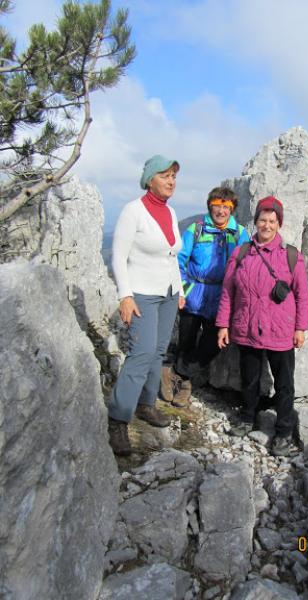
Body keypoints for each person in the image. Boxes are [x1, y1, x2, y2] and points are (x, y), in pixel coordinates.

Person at [216, 196, 308, 457]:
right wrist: (223, 324)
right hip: (247, 328)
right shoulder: (242, 253)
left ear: (279, 224)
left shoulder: (291, 256)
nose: (266, 225)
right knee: (250, 379)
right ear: (255, 221)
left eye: (272, 221)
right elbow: (228, 291)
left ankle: (283, 432)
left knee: (284, 384)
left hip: (281, 331)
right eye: (262, 220)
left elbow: (302, 295)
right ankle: (248, 417)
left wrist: (300, 328)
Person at [107, 155, 185, 456]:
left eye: (174, 176)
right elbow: (118, 256)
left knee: (158, 351)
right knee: (141, 354)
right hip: (141, 294)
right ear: (149, 180)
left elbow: (172, 256)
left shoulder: (171, 211)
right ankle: (118, 419)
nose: (171, 181)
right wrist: (125, 296)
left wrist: (179, 290)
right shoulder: (133, 211)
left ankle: (146, 404)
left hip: (168, 294)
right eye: (165, 175)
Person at [160, 187, 250, 406]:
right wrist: (182, 290)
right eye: (216, 205)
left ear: (232, 209)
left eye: (226, 207)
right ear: (210, 206)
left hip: (221, 297)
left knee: (213, 345)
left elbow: (245, 267)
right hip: (193, 294)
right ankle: (185, 385)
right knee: (186, 341)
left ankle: (174, 371)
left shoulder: (239, 234)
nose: (221, 211)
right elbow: (179, 261)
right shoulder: (196, 229)